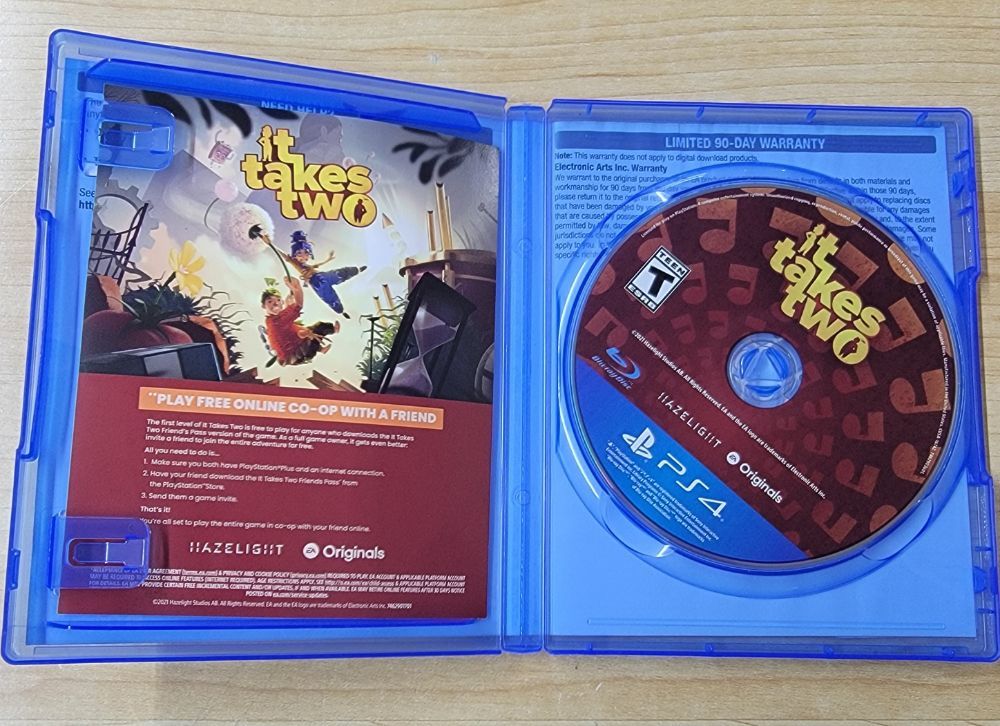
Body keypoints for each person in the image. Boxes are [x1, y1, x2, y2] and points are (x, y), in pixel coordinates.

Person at [280, 230, 366, 319]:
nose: (303, 256)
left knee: (340, 273)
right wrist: (272, 245)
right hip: (318, 284)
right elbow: (286, 258)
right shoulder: (295, 263)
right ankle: (341, 311)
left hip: (323, 276)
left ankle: (357, 270)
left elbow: (316, 266)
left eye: (306, 253)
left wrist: (328, 259)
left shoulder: (305, 265)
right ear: (294, 254)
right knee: (330, 298)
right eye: (299, 253)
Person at [260, 276, 339, 366]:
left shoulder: (269, 320)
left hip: (291, 355)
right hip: (299, 353)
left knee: (304, 330)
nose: (275, 303)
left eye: (278, 300)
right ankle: (334, 330)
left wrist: (292, 298)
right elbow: (298, 305)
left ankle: (321, 349)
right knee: (319, 327)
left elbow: (286, 322)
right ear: (263, 306)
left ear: (282, 303)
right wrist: (296, 287)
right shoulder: (278, 320)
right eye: (270, 301)